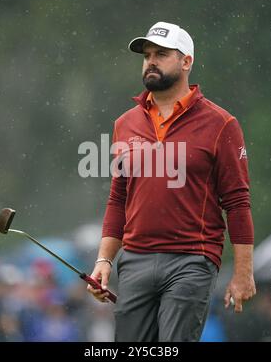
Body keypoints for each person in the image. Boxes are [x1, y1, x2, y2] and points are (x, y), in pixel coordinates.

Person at [87, 21, 256, 342]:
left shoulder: (221, 124)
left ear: (186, 61)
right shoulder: (125, 124)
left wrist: (243, 272)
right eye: (147, 55)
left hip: (191, 259)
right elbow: (118, 200)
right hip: (134, 261)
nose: (150, 61)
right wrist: (104, 260)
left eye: (161, 54)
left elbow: (236, 202)